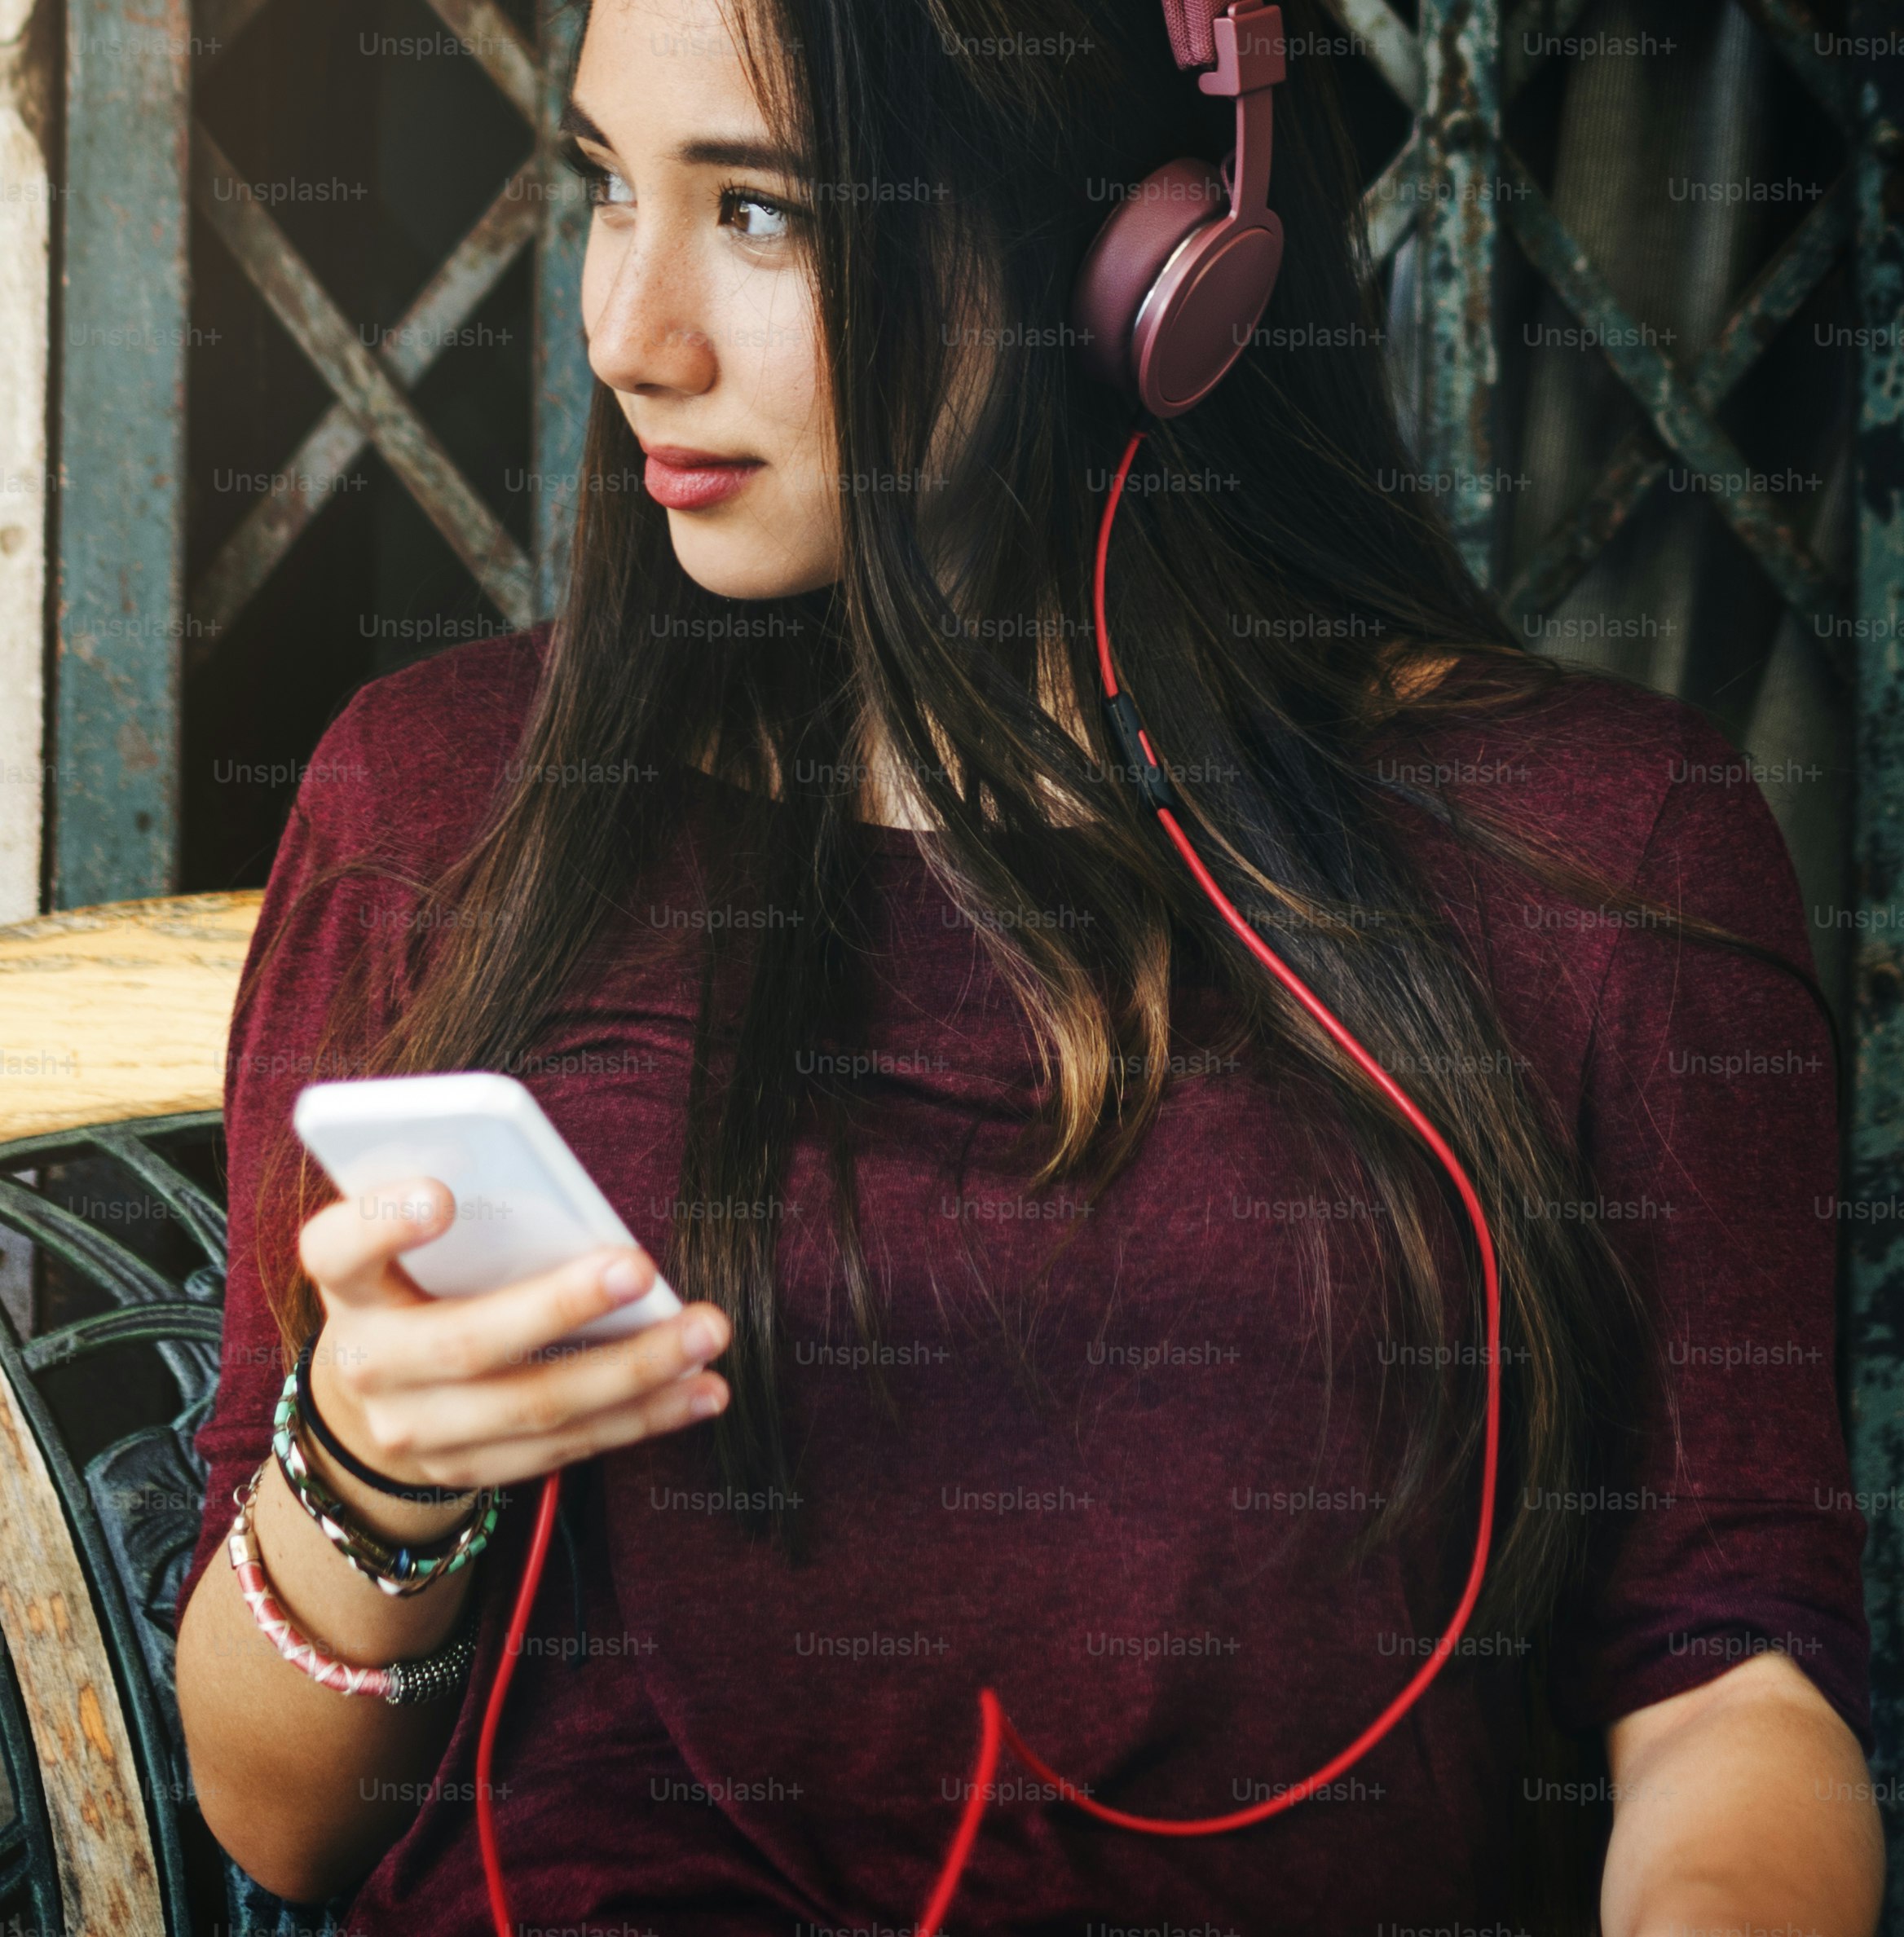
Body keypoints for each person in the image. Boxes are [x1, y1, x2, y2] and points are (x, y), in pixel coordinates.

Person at [173, 0, 1884, 1930]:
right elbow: (278, 1820)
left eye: (764, 217)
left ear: (1156, 263)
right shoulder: (440, 802)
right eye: (602, 186)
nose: (622, 334)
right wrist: (372, 1479)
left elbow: (1722, 1675)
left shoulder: (1590, 845)